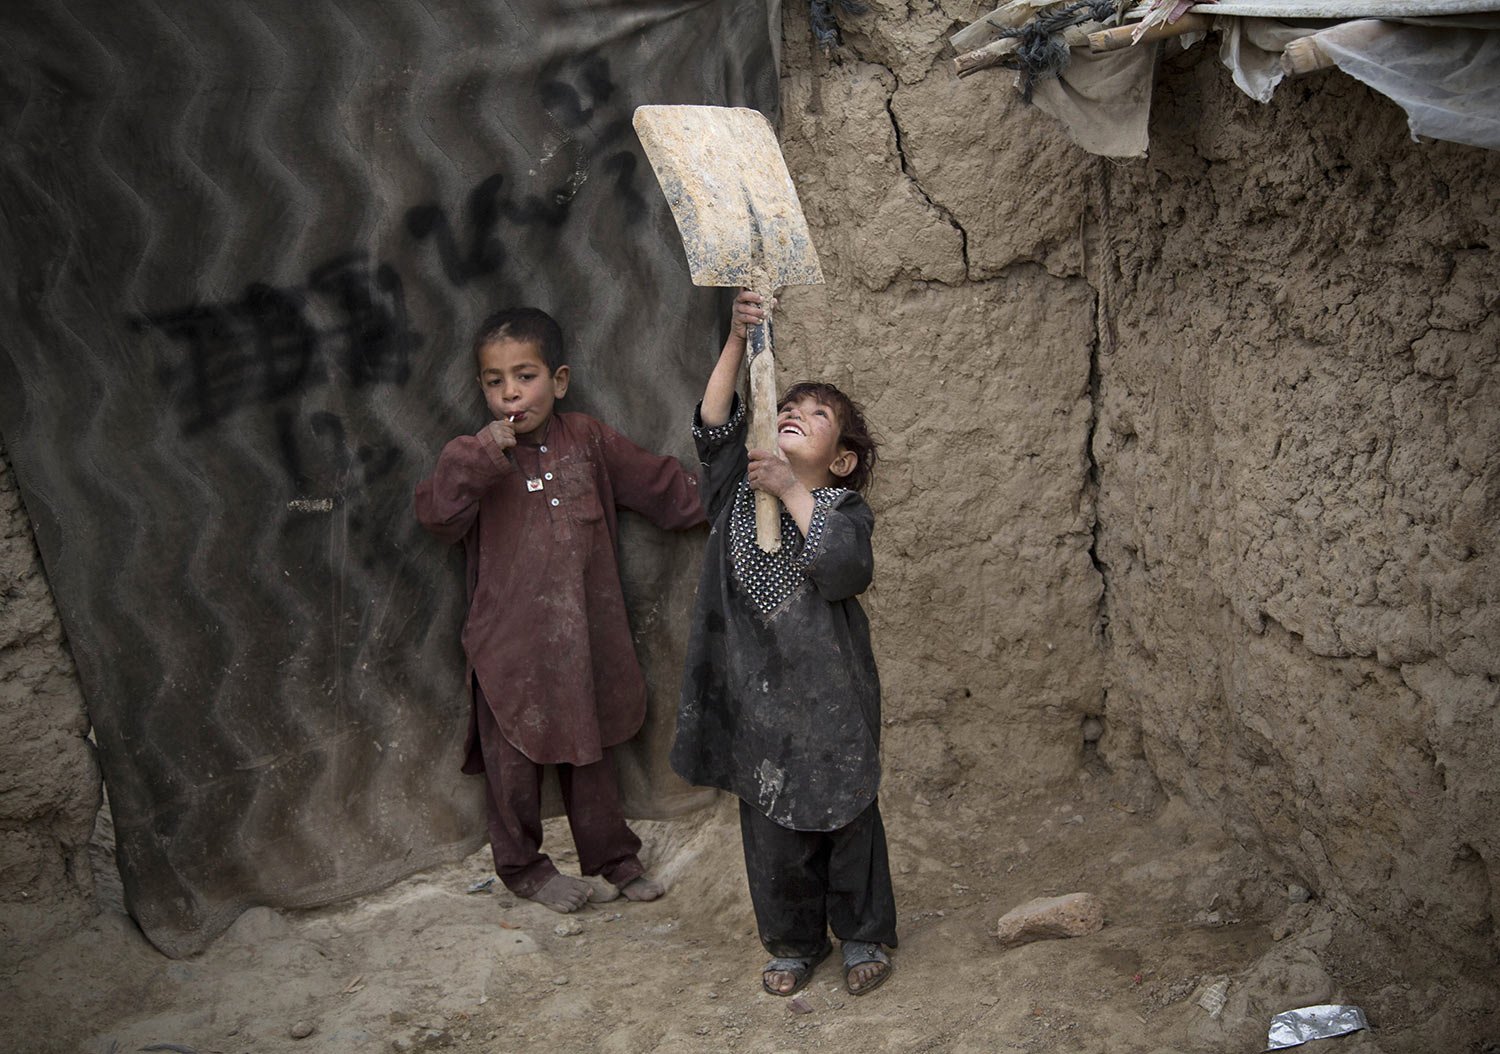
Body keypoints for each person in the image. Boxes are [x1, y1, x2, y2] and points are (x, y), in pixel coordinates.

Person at [415, 307, 705, 913]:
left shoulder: (589, 442)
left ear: (560, 380)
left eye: (525, 376)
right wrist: (481, 452)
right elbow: (438, 516)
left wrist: (735, 494)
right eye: (495, 382)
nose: (510, 393)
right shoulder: (474, 457)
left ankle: (613, 857)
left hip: (585, 641)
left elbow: (661, 488)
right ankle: (524, 869)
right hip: (508, 648)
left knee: (589, 751)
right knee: (511, 769)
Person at [672, 291, 896, 997]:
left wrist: (792, 496)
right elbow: (714, 420)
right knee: (773, 834)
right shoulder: (734, 492)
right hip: (756, 707)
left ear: (842, 460)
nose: (797, 414)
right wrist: (741, 340)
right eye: (789, 407)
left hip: (832, 704)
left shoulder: (838, 508)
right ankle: (794, 945)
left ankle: (862, 934)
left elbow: (844, 571)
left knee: (849, 821)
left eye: (818, 415)